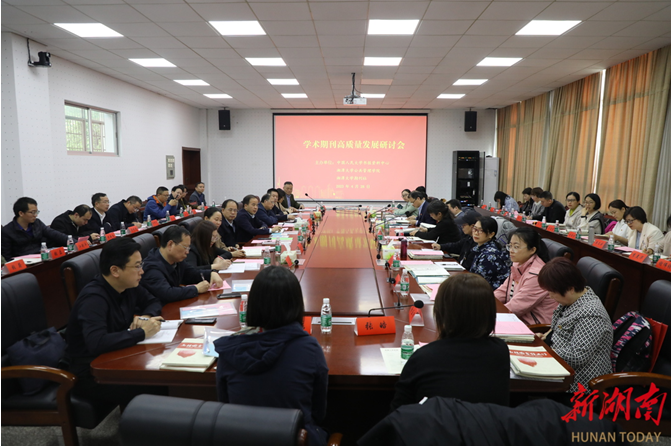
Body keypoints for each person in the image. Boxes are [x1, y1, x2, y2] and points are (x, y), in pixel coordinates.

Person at [215, 266, 328, 446]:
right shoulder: (309, 348)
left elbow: (225, 405)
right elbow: (318, 413)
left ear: (254, 305)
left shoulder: (230, 350)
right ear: (297, 304)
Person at [65, 237, 166, 406]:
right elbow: (96, 342)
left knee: (161, 370)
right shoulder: (93, 299)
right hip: (91, 373)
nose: (142, 271)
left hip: (116, 356)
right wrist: (141, 333)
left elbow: (153, 301)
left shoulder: (127, 285)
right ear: (115, 270)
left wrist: (146, 317)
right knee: (158, 384)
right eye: (137, 266)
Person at [391, 273, 510, 410]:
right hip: (486, 424)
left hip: (436, 424)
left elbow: (397, 413)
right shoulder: (500, 351)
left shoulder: (425, 356)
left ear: (442, 313)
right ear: (489, 313)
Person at [536, 258, 613, 394]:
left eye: (552, 292)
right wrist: (545, 337)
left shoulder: (591, 313)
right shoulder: (571, 300)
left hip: (578, 383)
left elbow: (577, 356)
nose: (550, 296)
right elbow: (558, 328)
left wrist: (543, 352)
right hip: (558, 366)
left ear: (570, 289)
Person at [140, 225, 222, 305]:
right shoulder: (151, 267)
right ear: (170, 244)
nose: (187, 252)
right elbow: (167, 293)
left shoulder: (176, 260)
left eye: (188, 248)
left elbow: (192, 274)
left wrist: (211, 273)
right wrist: (196, 289)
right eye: (185, 247)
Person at [494, 227, 556, 325]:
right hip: (518, 319)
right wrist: (484, 302)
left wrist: (488, 313)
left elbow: (516, 307)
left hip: (536, 326)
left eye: (516, 247)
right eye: (510, 246)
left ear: (532, 250)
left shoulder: (537, 275)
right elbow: (502, 291)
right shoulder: (518, 264)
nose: (511, 250)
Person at [1, 197, 68, 260]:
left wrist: (72, 241)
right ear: (21, 213)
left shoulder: (37, 223)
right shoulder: (6, 231)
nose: (35, 215)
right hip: (23, 262)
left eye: (36, 212)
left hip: (40, 258)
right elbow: (6, 256)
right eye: (32, 212)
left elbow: (55, 234)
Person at [469, 217, 511, 289]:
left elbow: (478, 282)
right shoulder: (481, 247)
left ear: (491, 234)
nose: (476, 233)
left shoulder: (490, 255)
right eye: (475, 229)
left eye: (481, 230)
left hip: (488, 291)